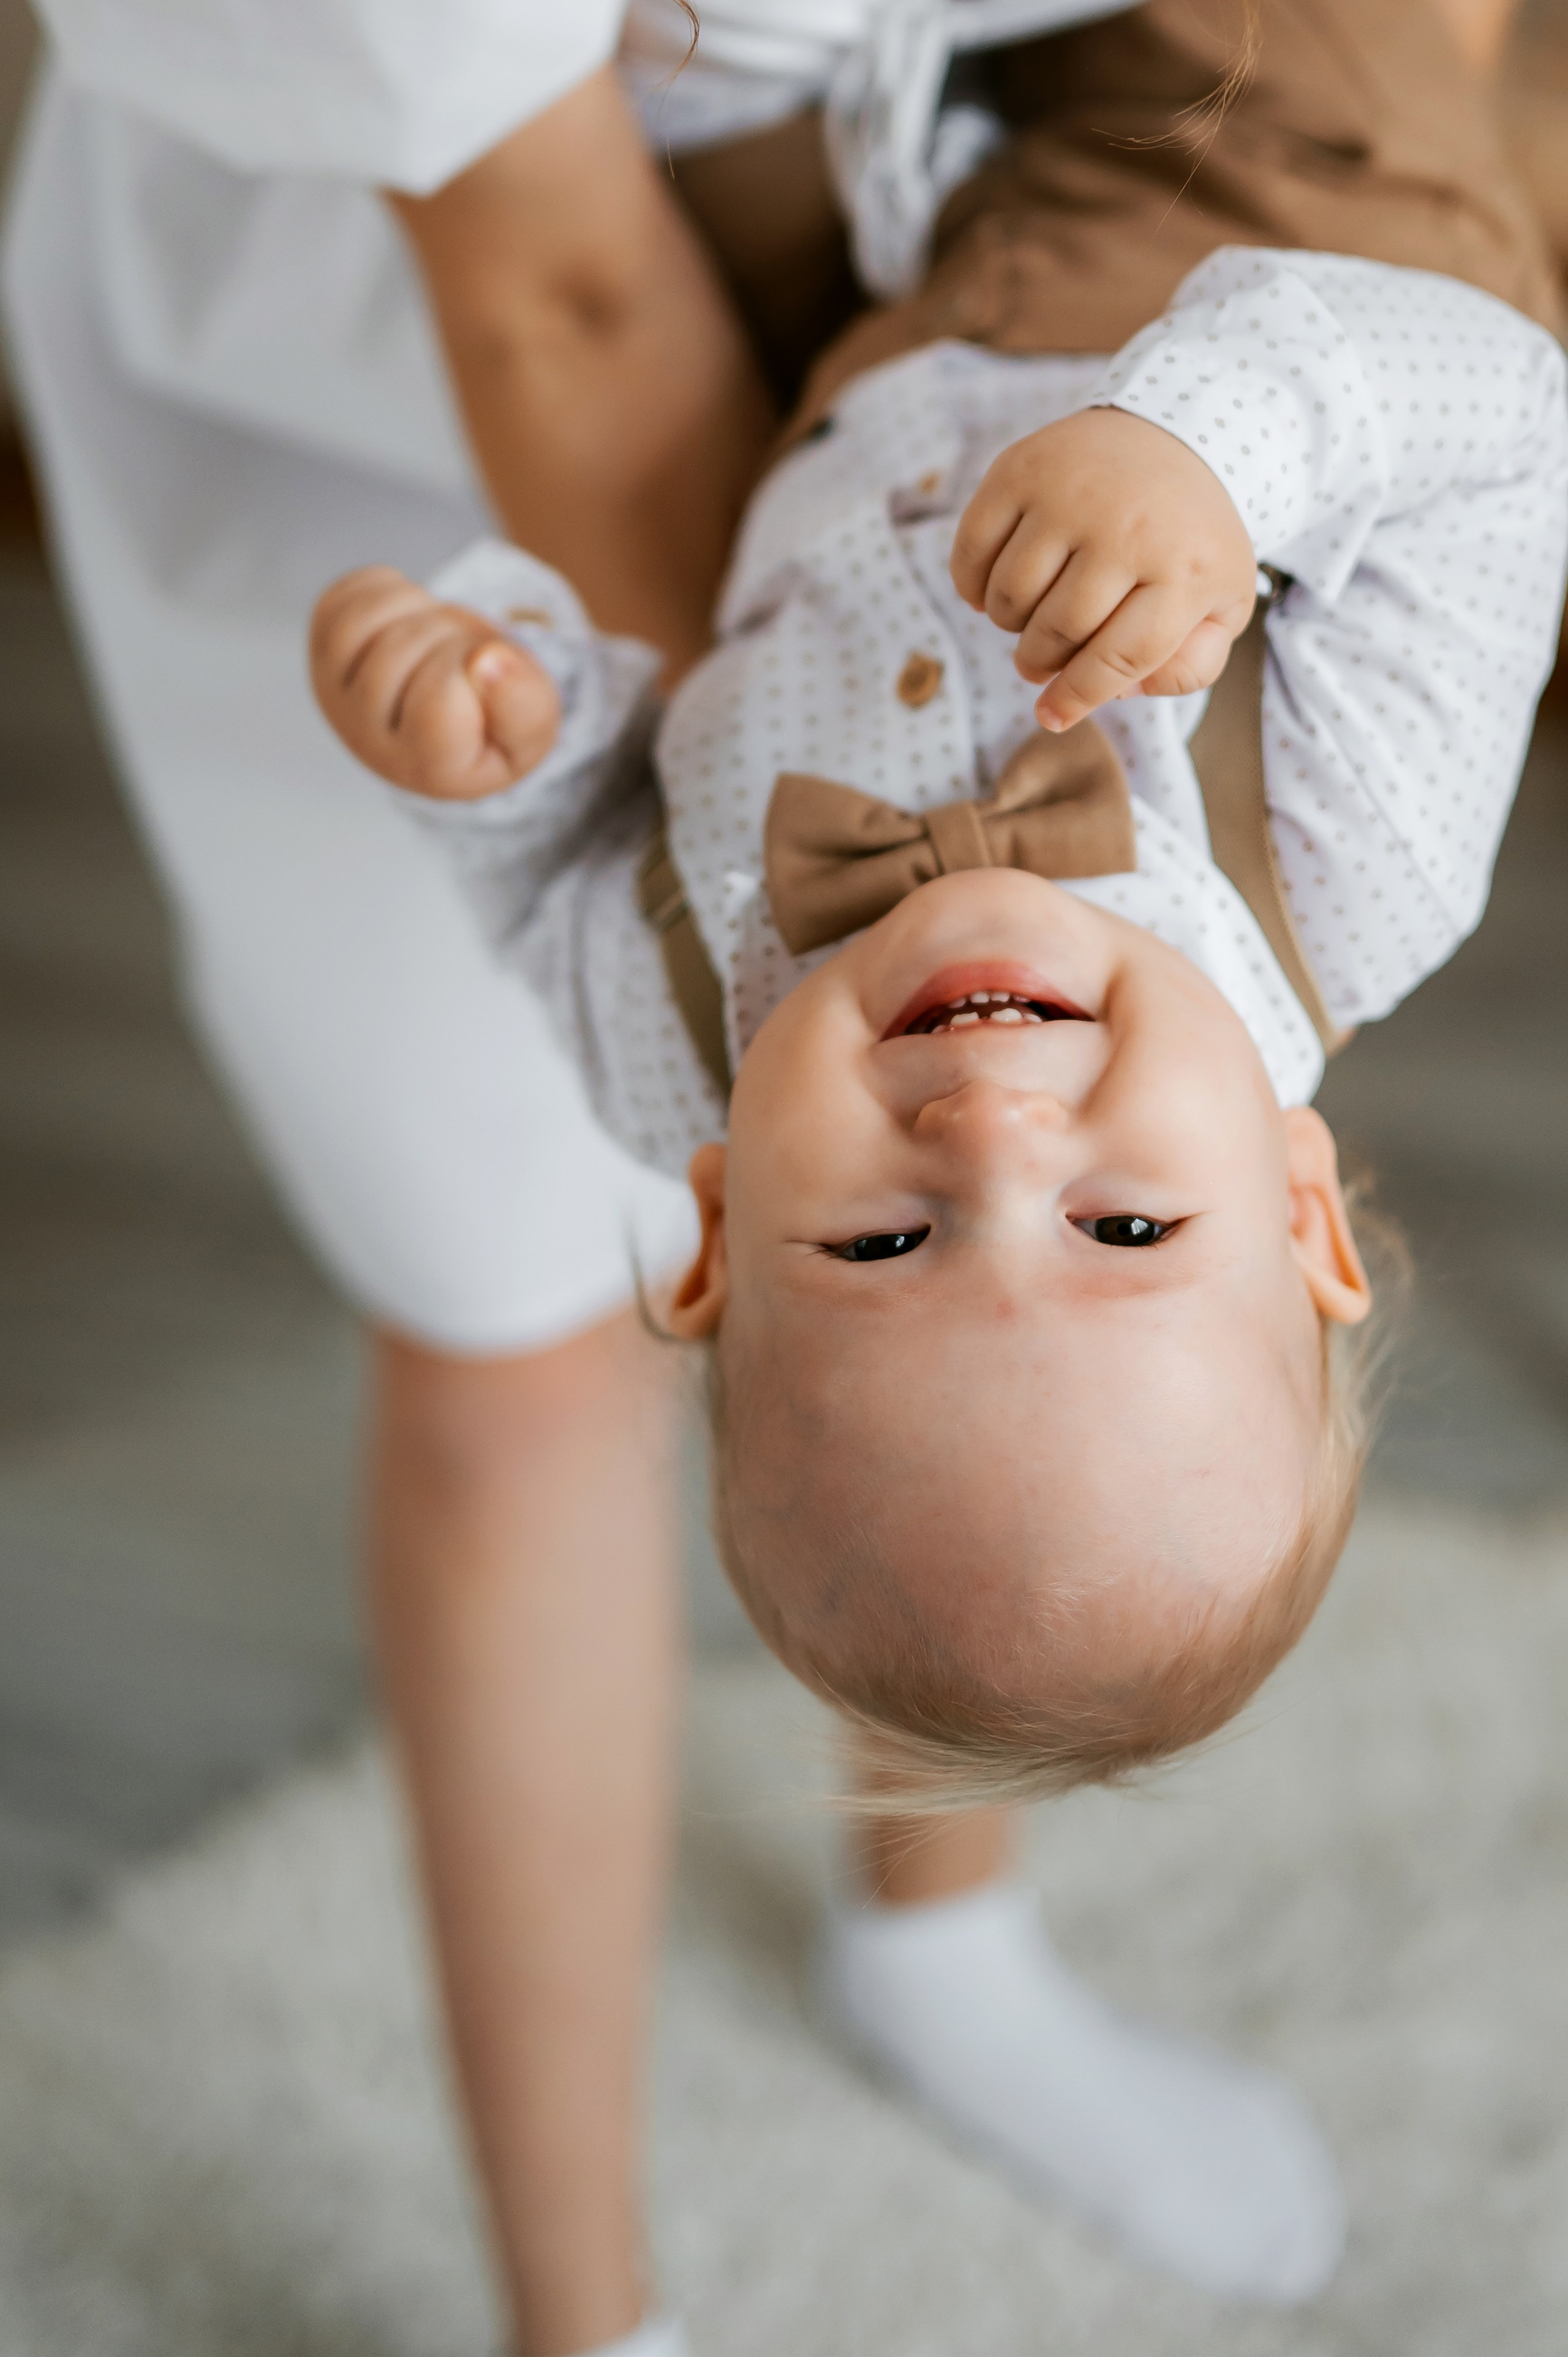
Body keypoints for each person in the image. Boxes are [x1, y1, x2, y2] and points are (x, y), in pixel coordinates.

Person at [4, 0, 1558, 2350]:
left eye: (887, 1237)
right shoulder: (1350, 864)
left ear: (713, 1223)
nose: (997, 1137)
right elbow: (1504, 420)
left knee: (943, 1504)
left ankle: (946, 1950)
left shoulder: (671, 1054)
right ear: (1313, 1211)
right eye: (1132, 1230)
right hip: (1246, 198)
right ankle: (597, 2295)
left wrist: (479, 716)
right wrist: (1218, 454)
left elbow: (565, 862)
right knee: (581, 1354)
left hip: (856, 241)